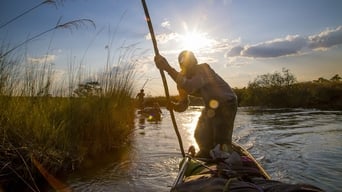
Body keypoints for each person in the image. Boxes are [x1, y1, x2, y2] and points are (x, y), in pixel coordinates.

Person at [154, 50, 238, 158]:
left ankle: (223, 154)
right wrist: (175, 106)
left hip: (226, 102)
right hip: (211, 106)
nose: (189, 65)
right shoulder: (181, 80)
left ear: (195, 61)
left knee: (220, 140)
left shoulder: (203, 69)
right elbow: (183, 105)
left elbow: (190, 86)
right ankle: (207, 153)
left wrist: (168, 68)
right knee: (199, 135)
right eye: (185, 62)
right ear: (181, 65)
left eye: (191, 61)